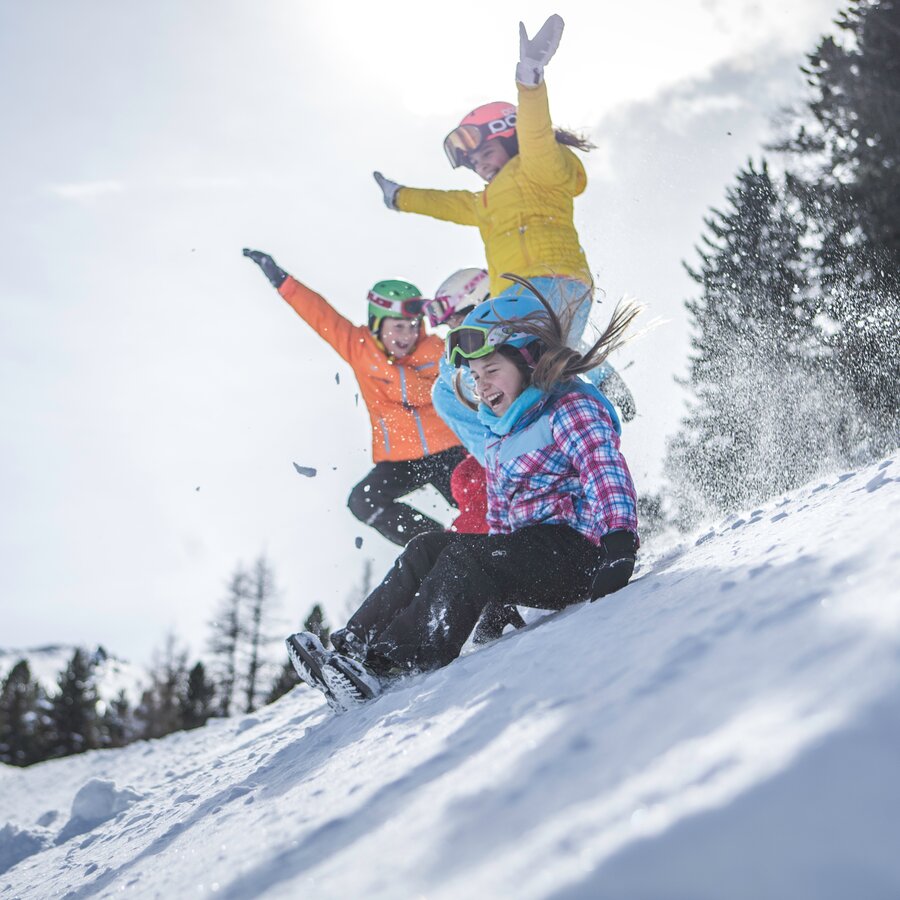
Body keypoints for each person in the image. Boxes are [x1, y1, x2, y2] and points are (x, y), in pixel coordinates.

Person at [287, 278, 641, 710]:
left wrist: (619, 543)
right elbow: (504, 517)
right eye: (475, 376)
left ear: (529, 361)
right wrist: (498, 591)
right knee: (427, 546)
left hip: (579, 554)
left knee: (462, 559)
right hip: (531, 553)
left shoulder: (567, 408)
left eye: (492, 371)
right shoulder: (500, 432)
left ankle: (389, 663)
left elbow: (603, 467)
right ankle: (351, 647)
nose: (483, 385)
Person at [372, 13, 638, 422]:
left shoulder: (537, 168)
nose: (479, 167)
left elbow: (535, 136)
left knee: (460, 359)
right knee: (501, 384)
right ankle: (557, 442)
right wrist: (401, 198)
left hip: (544, 284)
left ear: (505, 134)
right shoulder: (487, 202)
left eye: (484, 154)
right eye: (472, 163)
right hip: (536, 294)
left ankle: (579, 382)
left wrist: (529, 82)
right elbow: (446, 203)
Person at [243, 249, 466, 546]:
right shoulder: (360, 349)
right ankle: (438, 545)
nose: (408, 335)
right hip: (401, 458)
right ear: (377, 324)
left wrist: (400, 378)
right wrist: (283, 282)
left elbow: (441, 390)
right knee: (364, 501)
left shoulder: (436, 350)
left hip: (448, 449)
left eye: (414, 326)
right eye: (398, 326)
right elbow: (321, 315)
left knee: (475, 499)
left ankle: (496, 544)